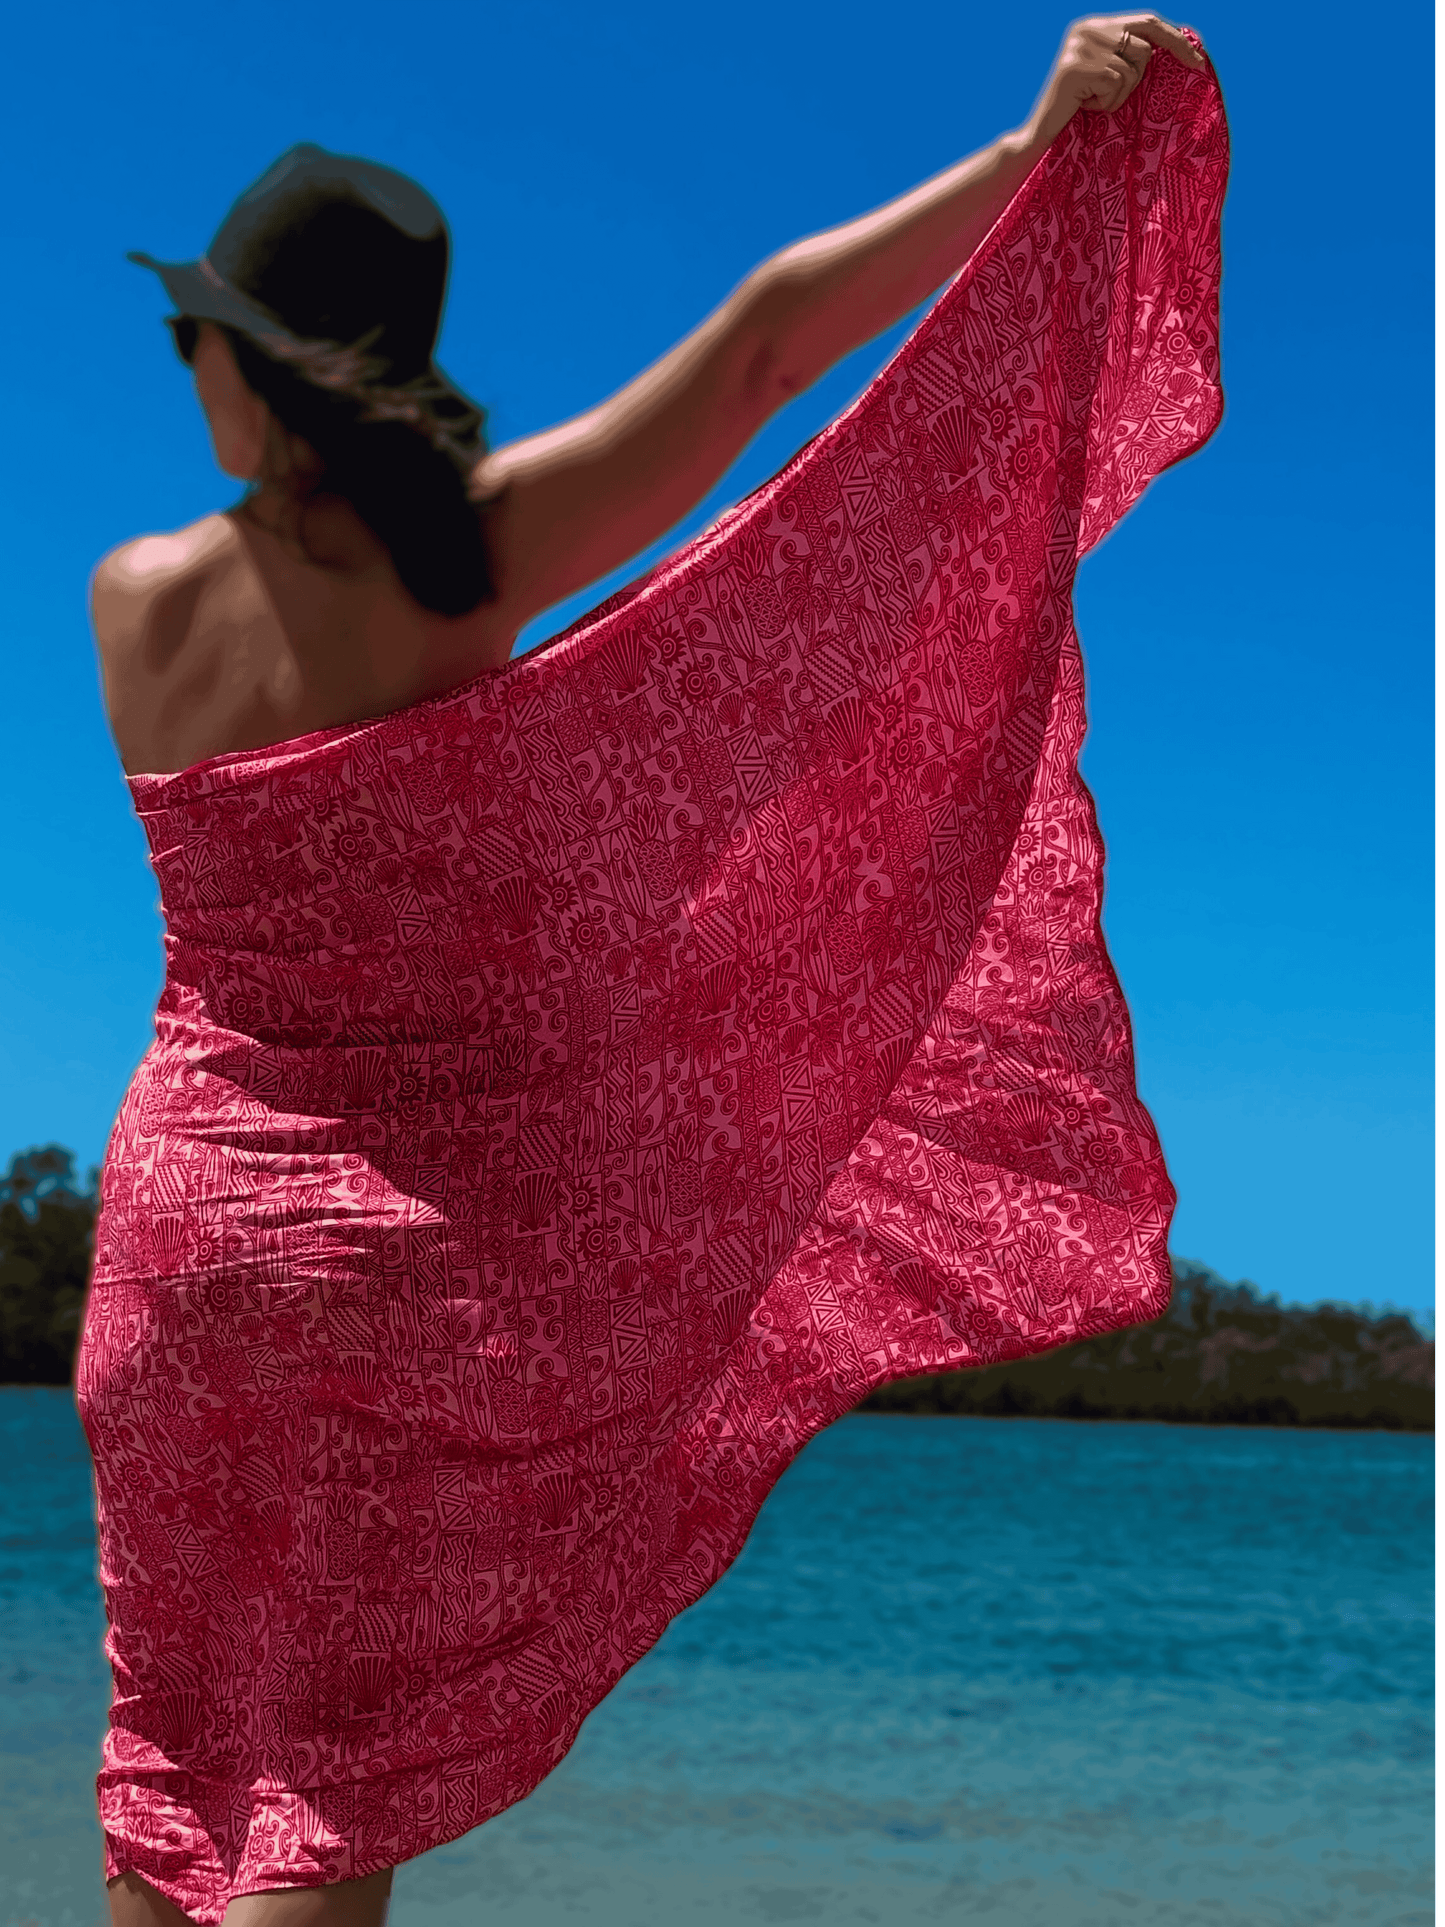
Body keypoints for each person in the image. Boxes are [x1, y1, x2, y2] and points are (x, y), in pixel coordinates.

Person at [88, 15, 1213, 1926]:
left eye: (197, 335)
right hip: (390, 1265)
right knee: (318, 1799)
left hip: (174, 1237)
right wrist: (1030, 157)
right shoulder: (461, 575)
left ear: (254, 367)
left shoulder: (132, 597)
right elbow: (771, 341)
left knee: (170, 1756)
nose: (181, 362)